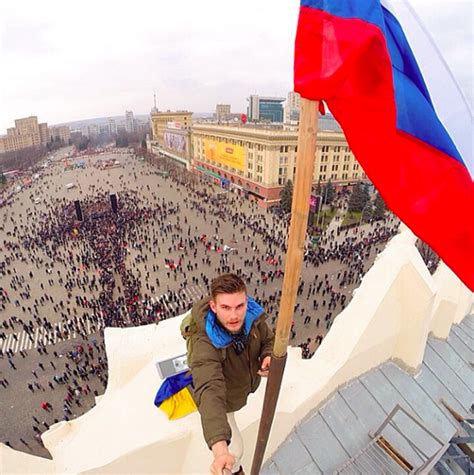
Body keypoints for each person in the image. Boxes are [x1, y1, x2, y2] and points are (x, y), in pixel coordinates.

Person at [189, 273, 274, 475]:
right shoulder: (204, 343)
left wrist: (267, 356)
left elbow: (268, 339)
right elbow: (210, 390)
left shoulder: (252, 318)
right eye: (226, 308)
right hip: (224, 399)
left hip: (240, 389)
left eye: (239, 306)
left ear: (246, 302)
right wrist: (220, 451)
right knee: (235, 450)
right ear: (213, 306)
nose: (234, 316)